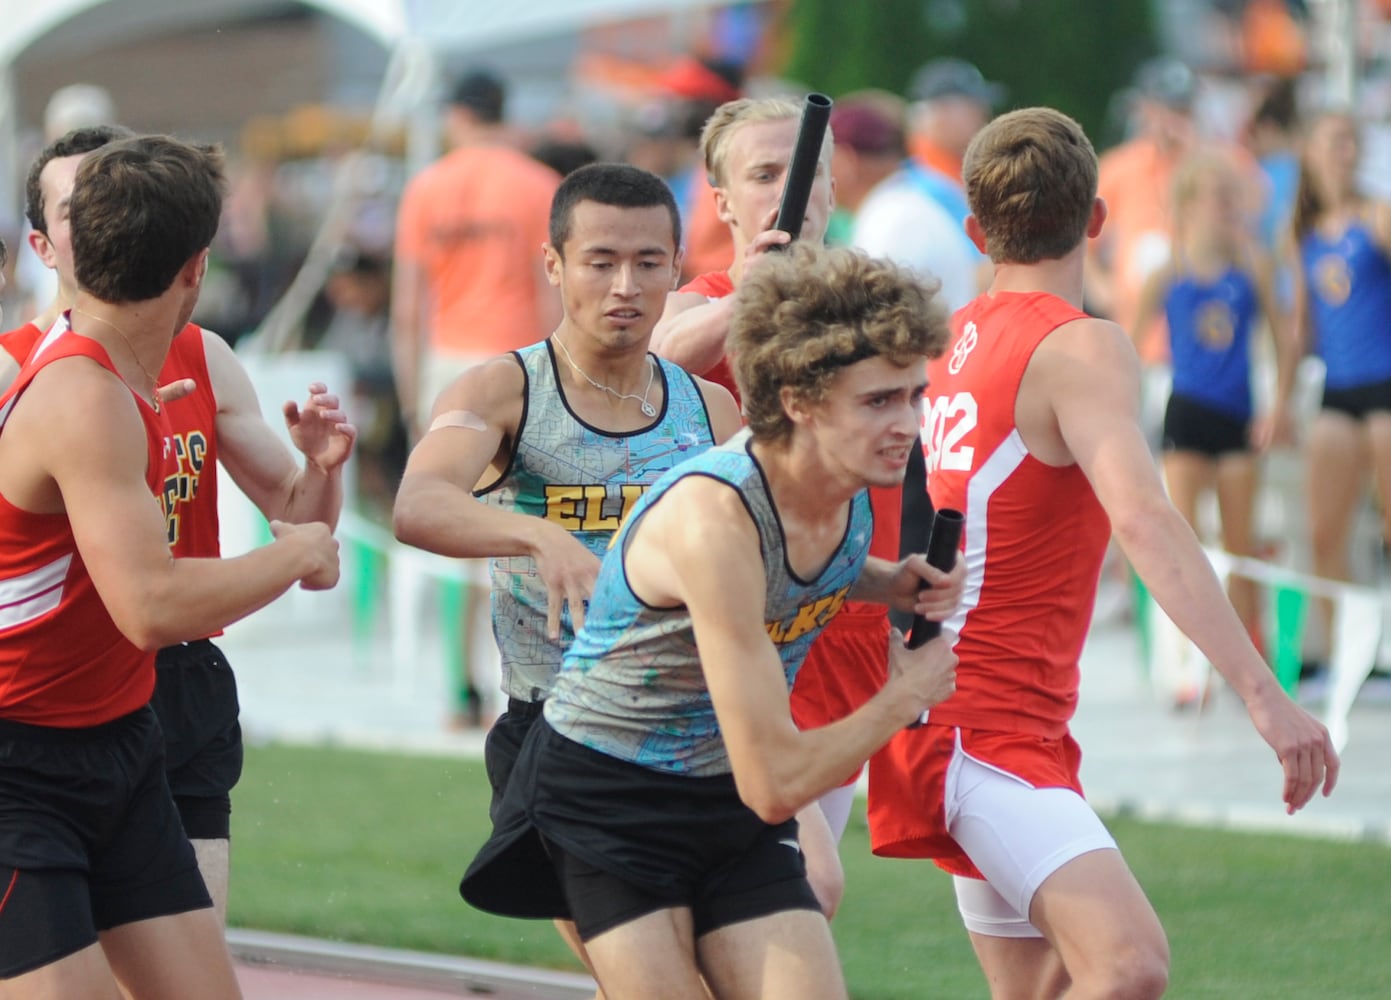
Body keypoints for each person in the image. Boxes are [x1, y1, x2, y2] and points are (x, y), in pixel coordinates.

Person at [867, 107, 1339, 1000]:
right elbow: (1146, 521)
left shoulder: (956, 335)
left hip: (969, 711)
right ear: (1095, 218)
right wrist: (1264, 694)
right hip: (983, 720)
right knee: (1126, 967)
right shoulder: (1077, 345)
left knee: (1041, 988)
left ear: (975, 230)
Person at [461, 242, 961, 1000]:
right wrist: (903, 697)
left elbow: (793, 565)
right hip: (610, 800)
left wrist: (886, 581)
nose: (907, 424)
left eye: (913, 395)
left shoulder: (844, 473)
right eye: (878, 400)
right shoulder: (712, 516)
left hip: (722, 801)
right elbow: (774, 783)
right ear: (799, 401)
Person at [0, 134, 339, 998]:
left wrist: (318, 486)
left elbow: (301, 528)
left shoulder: (162, 370)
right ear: (196, 267)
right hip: (19, 761)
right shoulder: (80, 393)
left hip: (121, 737)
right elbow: (148, 604)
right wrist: (293, 548)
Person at [393, 162, 742, 988]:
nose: (625, 286)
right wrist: (536, 537)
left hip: (695, 742)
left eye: (649, 263)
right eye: (599, 261)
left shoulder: (711, 412)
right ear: (553, 265)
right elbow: (418, 503)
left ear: (675, 266)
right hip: (560, 740)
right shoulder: (504, 390)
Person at [651, 96, 882, 885]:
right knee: (803, 884)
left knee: (782, 894)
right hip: (733, 633)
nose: (789, 192)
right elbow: (659, 356)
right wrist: (747, 297)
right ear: (720, 201)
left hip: (841, 624)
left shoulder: (870, 305)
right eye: (763, 174)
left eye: (806, 172)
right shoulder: (705, 296)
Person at [392, 68, 561, 726]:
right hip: (520, 363)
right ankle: (521, 681)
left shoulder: (428, 186)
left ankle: (459, 684)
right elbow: (553, 293)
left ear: (455, 115)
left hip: (448, 367)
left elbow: (410, 306)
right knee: (527, 525)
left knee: (455, 524)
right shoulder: (536, 185)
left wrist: (413, 403)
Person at [1132, 149, 1295, 703]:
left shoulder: (1251, 265)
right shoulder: (1169, 268)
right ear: (1189, 204)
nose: (1226, 209)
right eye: (1216, 199)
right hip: (1187, 411)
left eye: (1231, 198)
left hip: (1236, 414)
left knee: (1243, 543)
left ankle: (1255, 662)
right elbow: (1129, 345)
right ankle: (1188, 666)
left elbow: (1284, 339)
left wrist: (1281, 407)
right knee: (1187, 542)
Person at [1290, 109, 1391, 669]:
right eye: (1333, 142)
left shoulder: (1376, 218)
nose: (1343, 152)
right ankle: (1345, 653)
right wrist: (1280, 403)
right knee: (1324, 530)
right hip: (1338, 387)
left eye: (1351, 141)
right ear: (1311, 152)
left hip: (1383, 385)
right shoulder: (1304, 233)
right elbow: (1299, 330)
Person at [831, 94, 982, 313]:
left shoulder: (892, 219)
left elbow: (877, 322)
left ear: (847, 160)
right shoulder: (895, 207)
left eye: (824, 161)